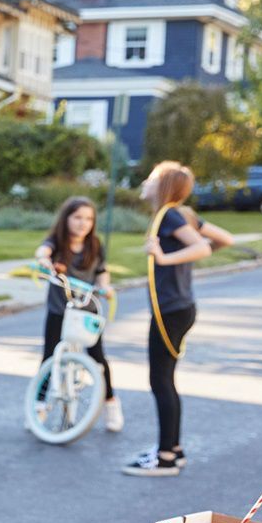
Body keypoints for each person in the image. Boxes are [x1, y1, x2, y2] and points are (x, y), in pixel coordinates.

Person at [123, 160, 231, 477]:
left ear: (163, 186)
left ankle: (166, 457)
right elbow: (225, 239)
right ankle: (174, 449)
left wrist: (164, 257)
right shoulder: (183, 215)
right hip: (179, 308)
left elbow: (202, 249)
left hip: (170, 310)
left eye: (152, 178)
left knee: (160, 381)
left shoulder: (170, 215)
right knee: (165, 379)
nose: (145, 181)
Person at [34, 195, 121, 434]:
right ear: (66, 219)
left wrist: (105, 286)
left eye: (89, 219)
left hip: (87, 311)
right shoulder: (57, 243)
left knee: (98, 358)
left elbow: (102, 272)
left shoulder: (95, 245)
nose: (83, 223)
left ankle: (110, 403)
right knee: (50, 358)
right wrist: (44, 261)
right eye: (78, 217)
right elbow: (43, 251)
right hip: (60, 310)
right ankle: (39, 406)